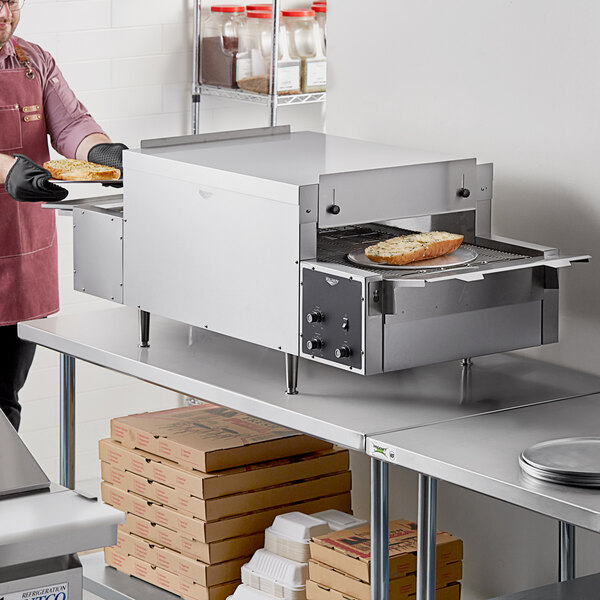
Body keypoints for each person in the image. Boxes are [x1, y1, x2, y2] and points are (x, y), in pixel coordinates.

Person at [0, 0, 127, 430]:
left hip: (21, 262)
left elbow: (71, 124)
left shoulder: (34, 61)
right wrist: (7, 169)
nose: (4, 14)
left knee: (3, 398)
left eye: (11, 1)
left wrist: (102, 152)